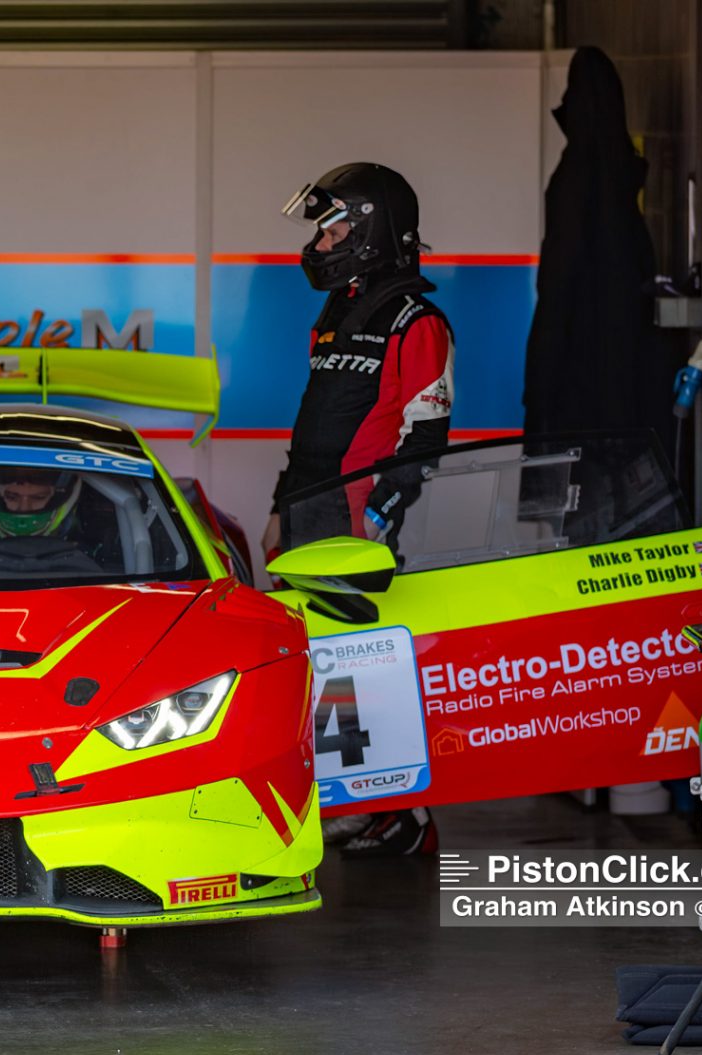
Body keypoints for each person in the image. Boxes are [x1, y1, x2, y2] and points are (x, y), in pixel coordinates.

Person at [261, 162, 452, 858]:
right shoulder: (337, 310)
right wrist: (281, 505)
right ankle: (346, 797)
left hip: (355, 521)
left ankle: (400, 813)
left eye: (334, 231)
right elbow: (312, 421)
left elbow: (425, 437)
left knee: (356, 666)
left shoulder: (418, 320)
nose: (322, 243)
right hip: (306, 508)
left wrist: (381, 514)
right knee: (312, 663)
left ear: (371, 232)